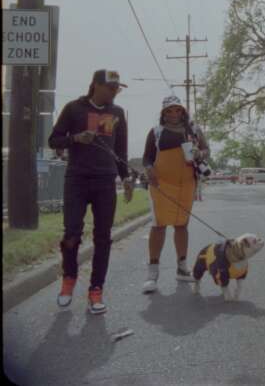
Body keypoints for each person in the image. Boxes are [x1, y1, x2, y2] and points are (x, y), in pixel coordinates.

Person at [49, 69, 134, 315]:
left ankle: (96, 289)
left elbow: (121, 151)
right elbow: (53, 140)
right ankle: (69, 279)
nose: (114, 92)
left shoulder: (117, 113)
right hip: (77, 179)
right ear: (95, 85)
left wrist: (126, 178)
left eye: (117, 88)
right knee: (72, 233)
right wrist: (75, 138)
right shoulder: (74, 108)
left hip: (105, 181)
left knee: (103, 237)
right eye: (110, 87)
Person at [141, 95, 210, 294]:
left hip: (187, 183)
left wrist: (199, 153)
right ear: (163, 113)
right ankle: (152, 274)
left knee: (182, 225)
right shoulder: (156, 132)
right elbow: (147, 158)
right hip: (161, 185)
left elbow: (206, 150)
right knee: (159, 226)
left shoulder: (194, 130)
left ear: (183, 111)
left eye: (177, 110)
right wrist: (149, 169)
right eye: (169, 111)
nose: (173, 114)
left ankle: (182, 268)